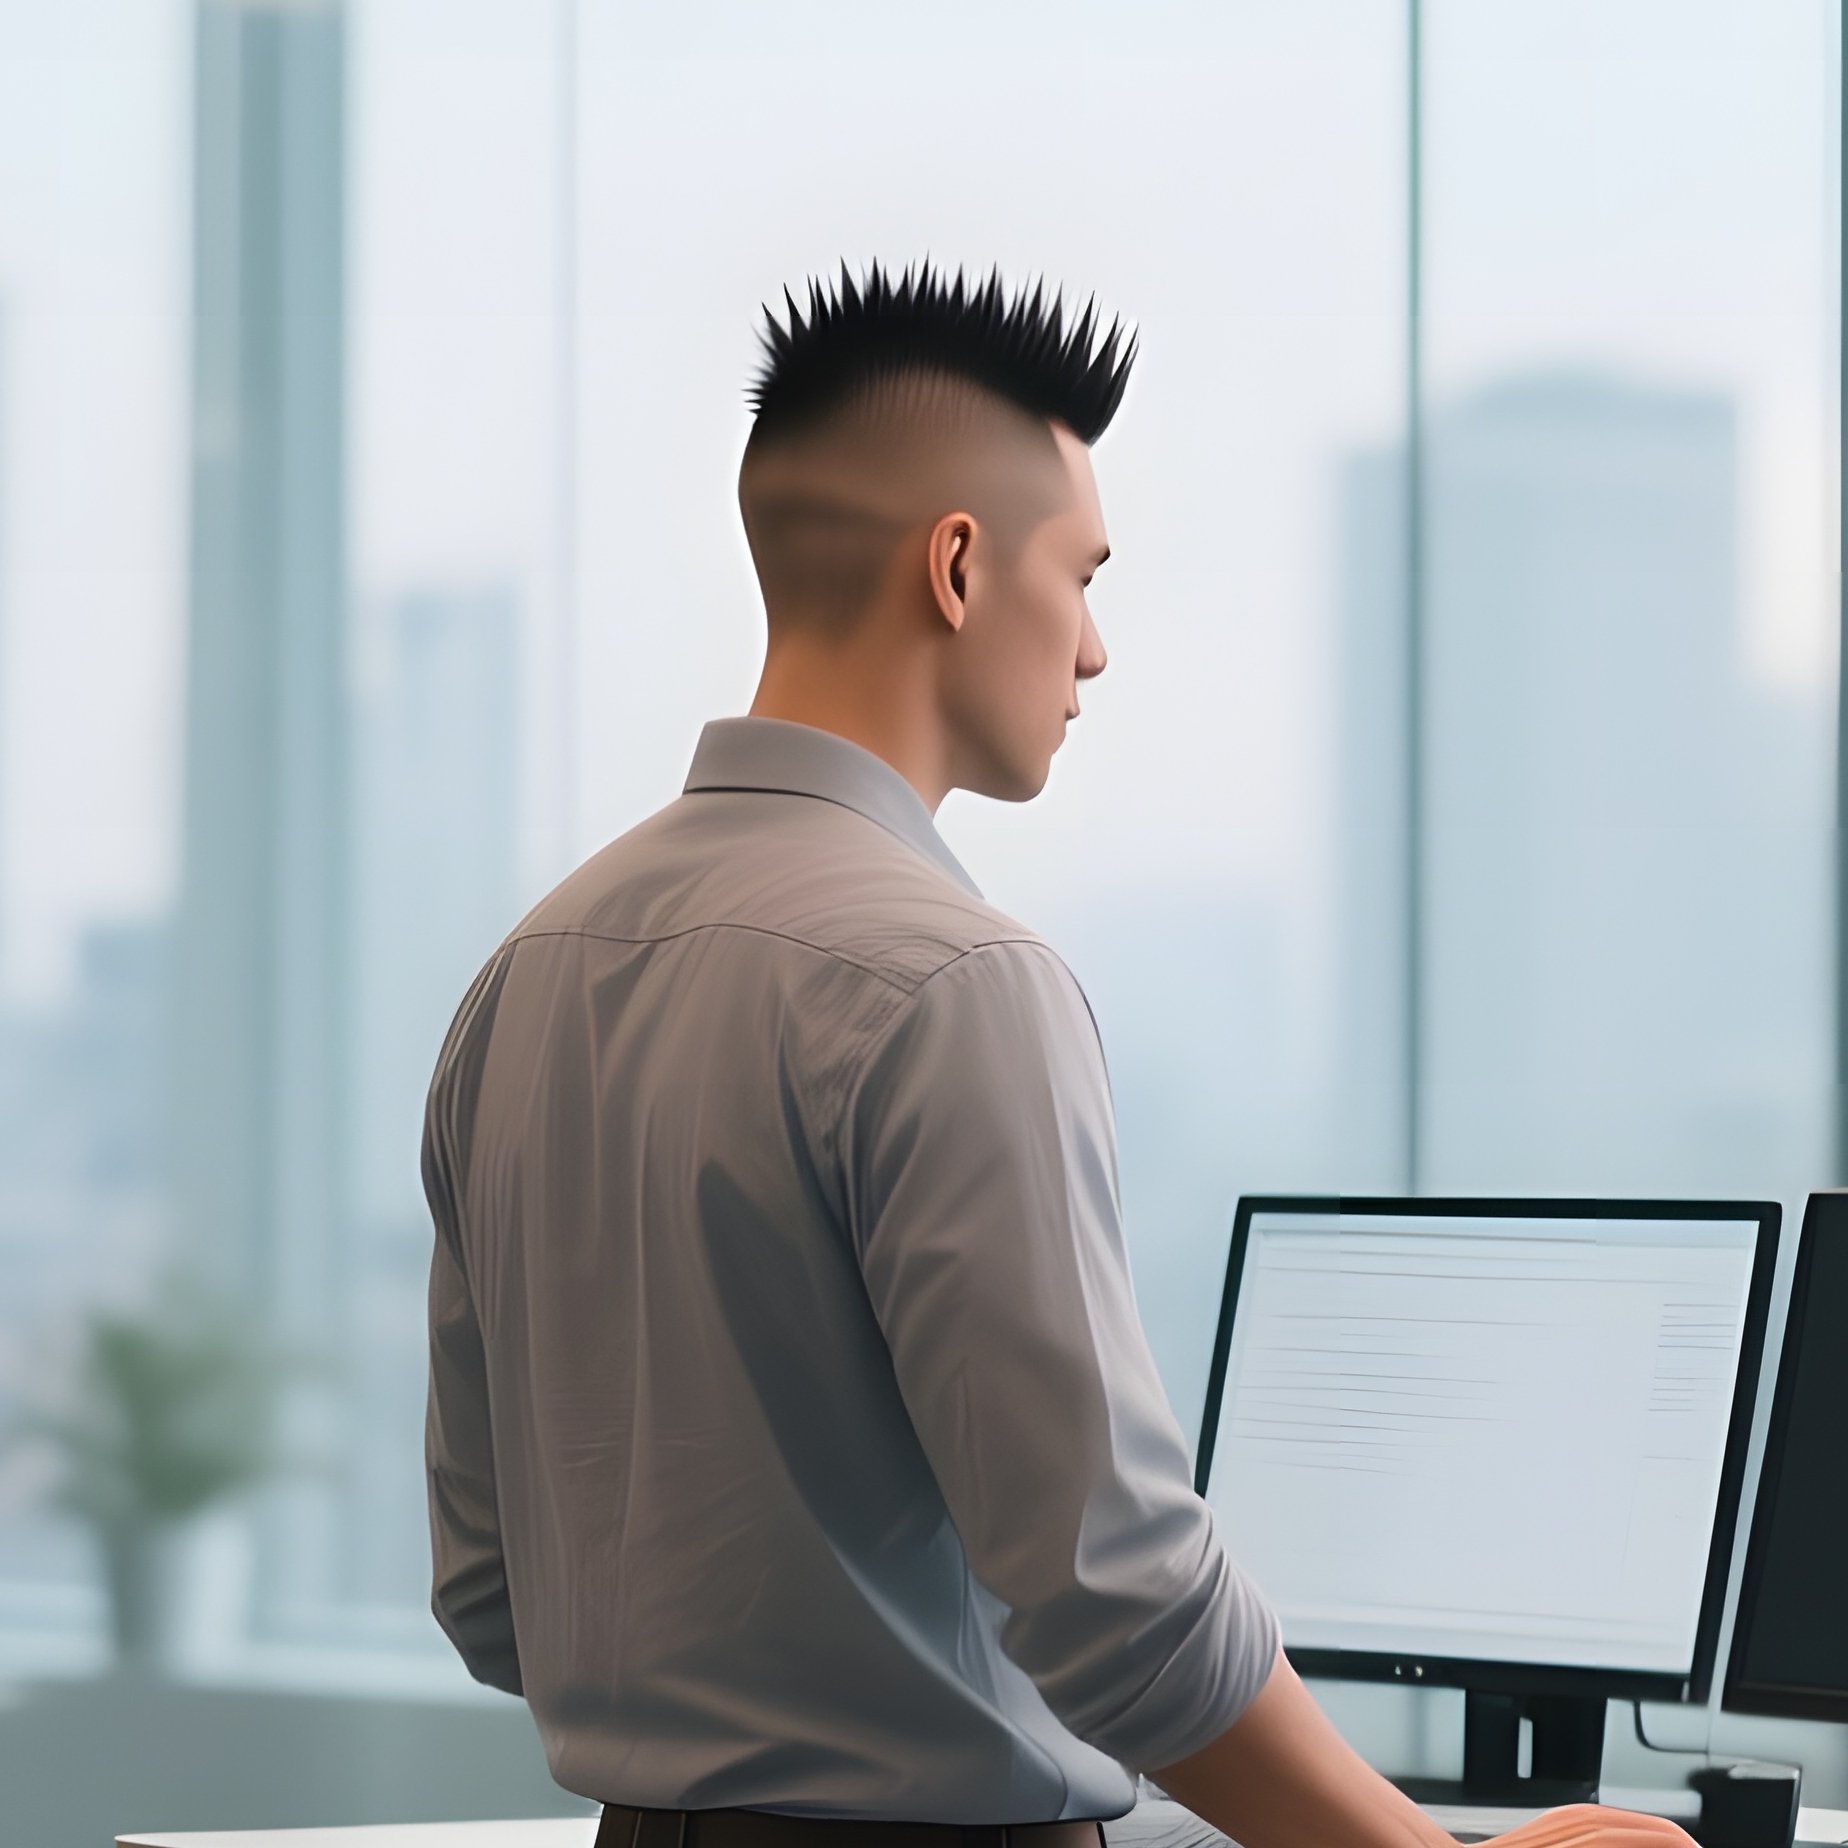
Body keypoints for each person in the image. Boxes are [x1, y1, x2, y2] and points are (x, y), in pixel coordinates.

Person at [422, 257, 1698, 1848]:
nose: (1094, 648)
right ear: (957, 567)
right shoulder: (954, 982)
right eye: (1083, 576)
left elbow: (492, 1597)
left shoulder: (522, 981)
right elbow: (1121, 1600)